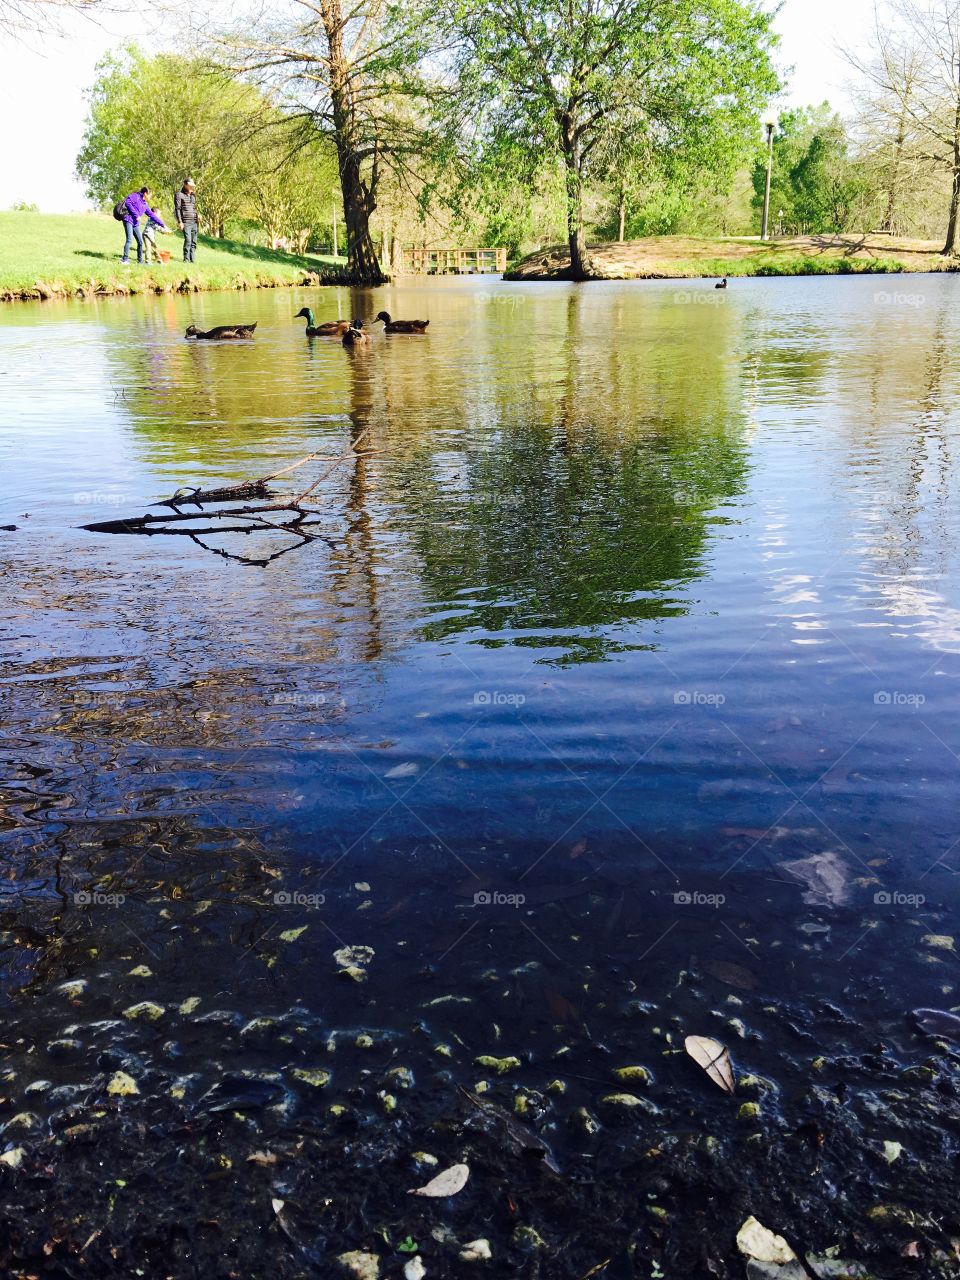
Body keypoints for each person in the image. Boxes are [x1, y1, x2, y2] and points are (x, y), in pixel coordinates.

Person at [121, 187, 168, 264]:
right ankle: (124, 260)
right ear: (145, 193)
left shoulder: (145, 204)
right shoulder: (135, 196)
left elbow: (153, 216)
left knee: (140, 242)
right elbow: (127, 203)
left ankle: (140, 261)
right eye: (150, 195)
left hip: (135, 224)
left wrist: (163, 225)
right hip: (128, 220)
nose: (150, 197)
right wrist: (136, 215)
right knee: (129, 239)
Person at [174, 178, 200, 263]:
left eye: (192, 186)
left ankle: (192, 260)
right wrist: (180, 222)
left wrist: (198, 215)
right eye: (190, 186)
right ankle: (186, 259)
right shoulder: (179, 195)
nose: (192, 187)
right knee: (188, 240)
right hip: (186, 222)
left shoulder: (193, 196)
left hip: (195, 222)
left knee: (194, 242)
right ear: (185, 185)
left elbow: (194, 208)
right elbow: (177, 209)